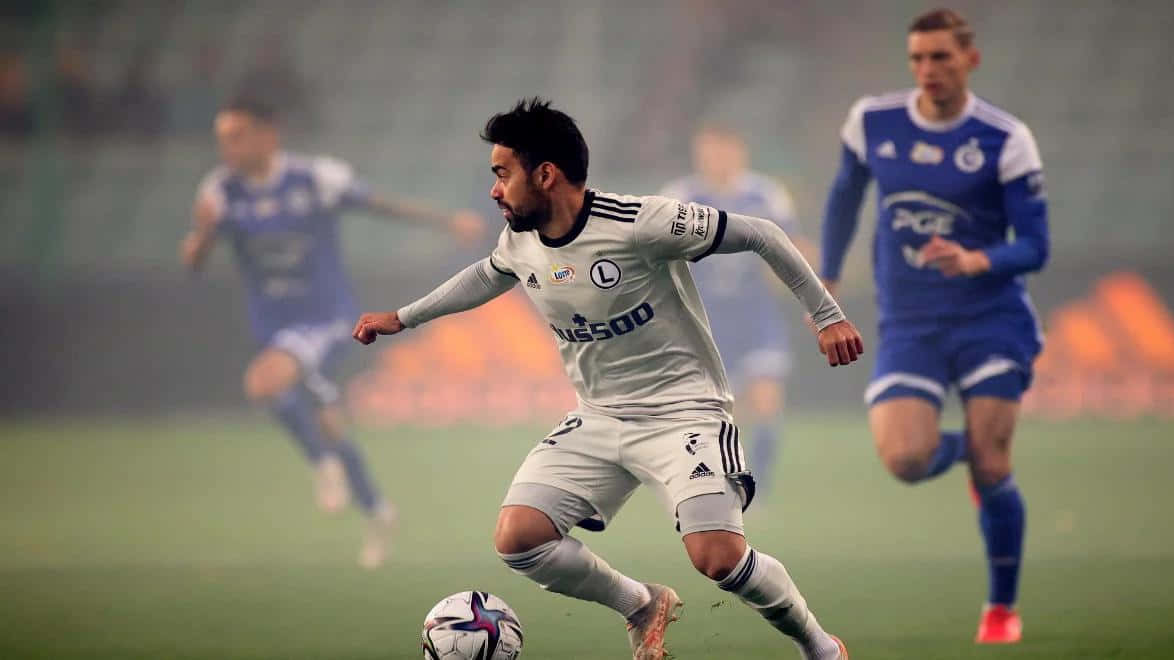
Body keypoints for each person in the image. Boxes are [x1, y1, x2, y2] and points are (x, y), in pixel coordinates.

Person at [354, 98, 861, 660]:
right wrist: (404, 317)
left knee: (716, 558)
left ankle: (820, 648)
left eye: (503, 174)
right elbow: (486, 275)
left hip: (684, 414)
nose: (495, 190)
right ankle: (643, 605)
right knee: (520, 540)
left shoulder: (640, 223)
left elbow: (763, 233)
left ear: (544, 175)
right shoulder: (520, 239)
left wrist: (828, 315)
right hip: (597, 417)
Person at [820, 9, 1048, 644]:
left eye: (940, 58)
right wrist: (827, 277)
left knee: (994, 463)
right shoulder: (874, 122)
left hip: (990, 319)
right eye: (918, 58)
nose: (927, 71)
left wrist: (978, 258)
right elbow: (844, 195)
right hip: (909, 324)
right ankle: (972, 457)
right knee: (905, 458)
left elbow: (1035, 245)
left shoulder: (1005, 139)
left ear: (968, 61)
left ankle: (1001, 611)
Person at [180, 97, 483, 569]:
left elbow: (379, 206)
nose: (228, 148)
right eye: (222, 138)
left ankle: (321, 464)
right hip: (274, 328)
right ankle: (377, 510)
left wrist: (447, 223)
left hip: (327, 321)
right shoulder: (220, 190)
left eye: (237, 136)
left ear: (268, 133)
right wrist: (201, 236)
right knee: (326, 421)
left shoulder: (313, 178)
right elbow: (193, 262)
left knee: (263, 382)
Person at [661, 125, 806, 504]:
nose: (716, 158)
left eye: (724, 149)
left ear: (739, 151)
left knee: (767, 400)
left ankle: (757, 492)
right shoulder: (680, 197)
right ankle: (708, 484)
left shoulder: (766, 195)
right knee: (717, 413)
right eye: (708, 150)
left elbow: (791, 250)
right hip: (701, 321)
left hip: (756, 317)